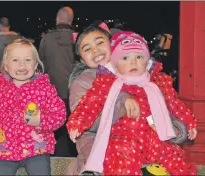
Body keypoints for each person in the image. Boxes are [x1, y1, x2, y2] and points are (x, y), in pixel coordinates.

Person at [67, 31, 198, 175]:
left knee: (176, 161)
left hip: (152, 145)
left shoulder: (150, 78)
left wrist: (179, 128)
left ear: (112, 46)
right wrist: (122, 101)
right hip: (110, 154)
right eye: (87, 48)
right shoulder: (88, 82)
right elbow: (88, 113)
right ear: (82, 59)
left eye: (100, 42)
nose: (95, 50)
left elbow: (173, 104)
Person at [0, 38, 66, 176]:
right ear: (5, 65)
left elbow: (59, 114)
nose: (21, 65)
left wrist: (41, 121)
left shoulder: (45, 88)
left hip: (36, 149)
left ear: (36, 64)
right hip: (4, 148)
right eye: (15, 60)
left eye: (28, 60)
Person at [38, 6, 78, 156]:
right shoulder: (78, 38)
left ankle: (54, 155)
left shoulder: (47, 38)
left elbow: (42, 65)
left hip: (53, 91)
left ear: (57, 18)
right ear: (71, 20)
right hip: (74, 90)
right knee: (73, 127)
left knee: (54, 128)